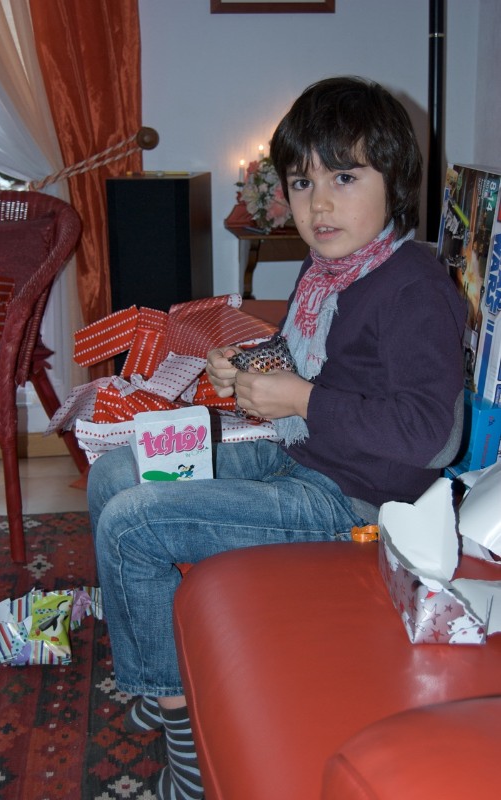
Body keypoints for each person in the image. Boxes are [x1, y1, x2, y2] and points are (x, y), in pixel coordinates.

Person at [88, 76, 466, 800]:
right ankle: (159, 671)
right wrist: (247, 369)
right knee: (115, 473)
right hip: (300, 456)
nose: (319, 204)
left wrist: (299, 397)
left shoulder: (415, 287)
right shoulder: (326, 273)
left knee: (135, 525)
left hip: (358, 505)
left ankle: (182, 742)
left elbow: (430, 436)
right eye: (302, 182)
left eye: (344, 177)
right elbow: (312, 365)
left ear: (395, 181)